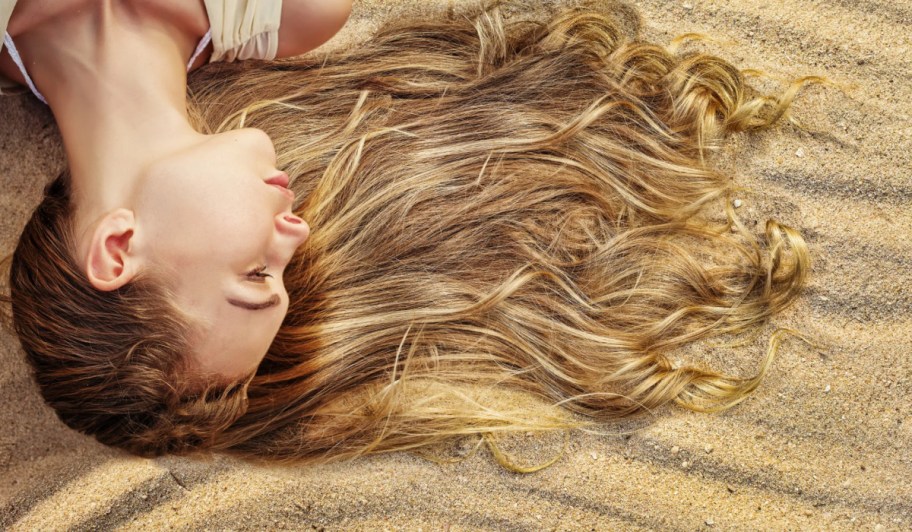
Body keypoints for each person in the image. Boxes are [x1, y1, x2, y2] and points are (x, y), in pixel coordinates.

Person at [4, 1, 815, 464]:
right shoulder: (291, 10)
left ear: (117, 248)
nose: (291, 237)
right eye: (286, 278)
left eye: (255, 276)